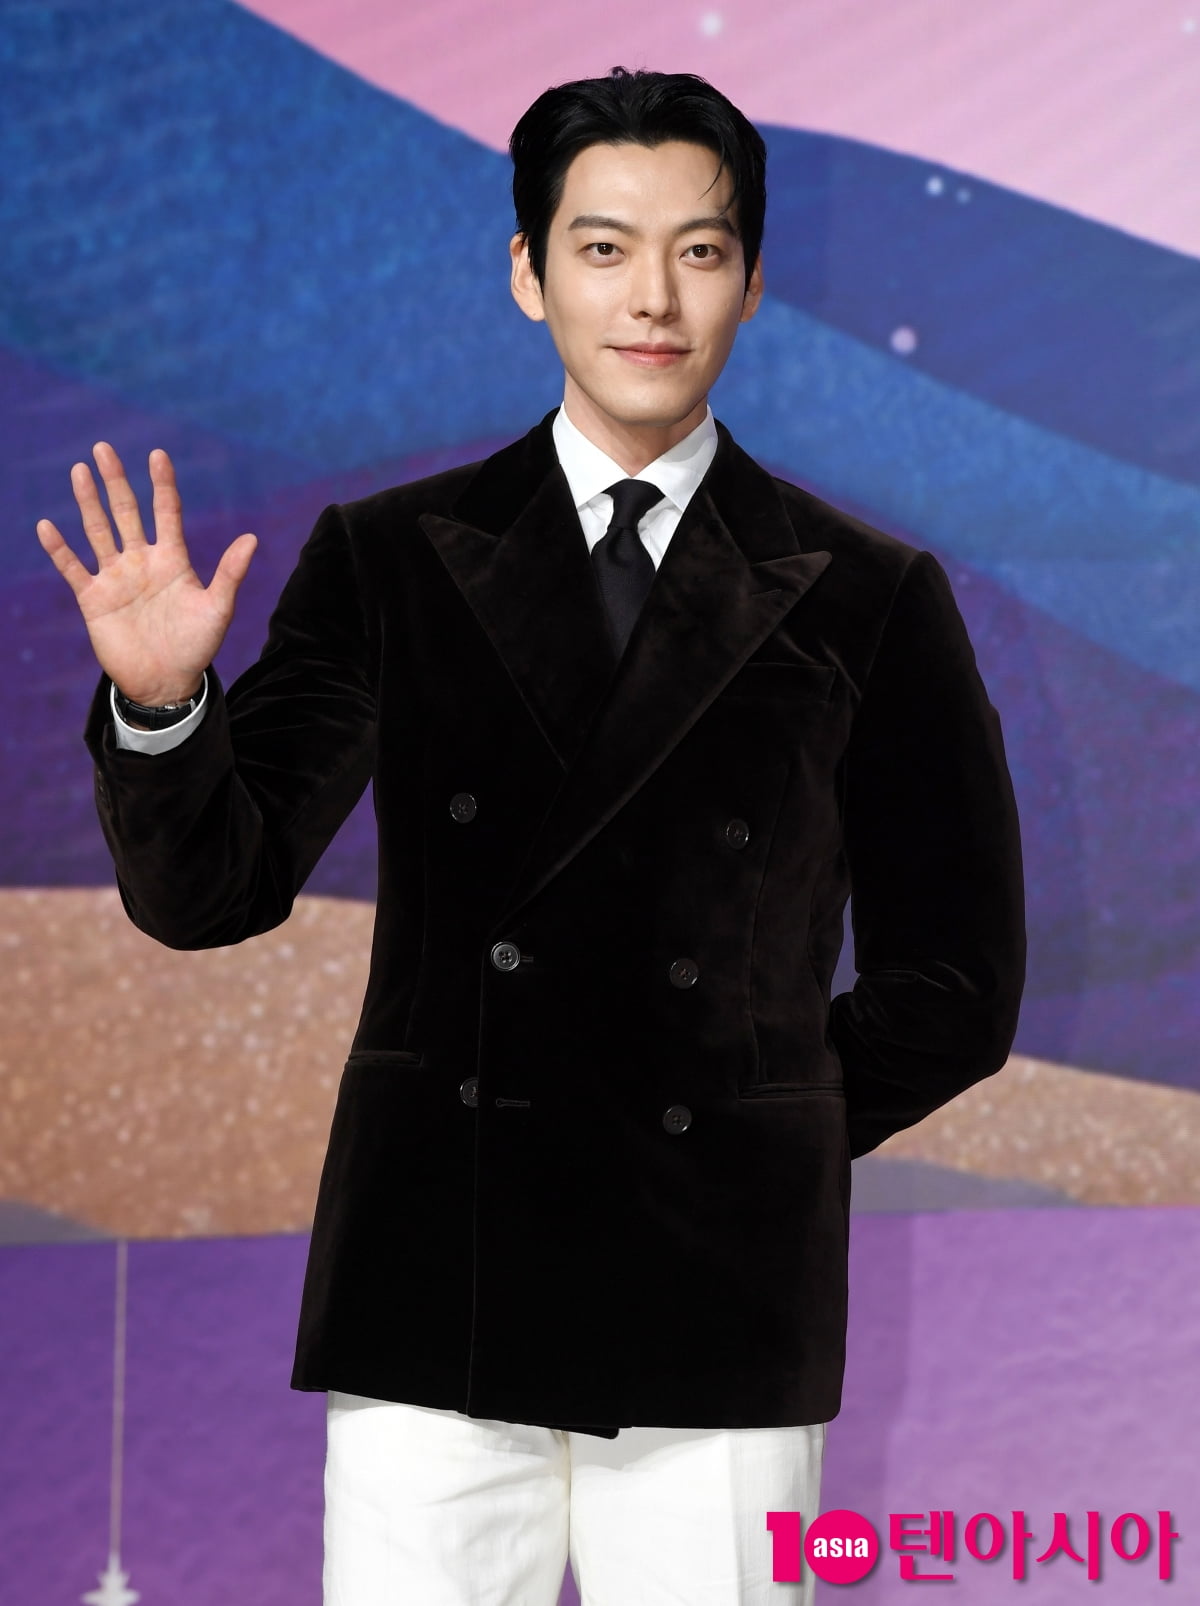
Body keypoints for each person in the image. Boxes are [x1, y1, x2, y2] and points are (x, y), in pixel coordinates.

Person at [37, 66, 1025, 1606]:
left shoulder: (866, 594)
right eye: (604, 247)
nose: (652, 298)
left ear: (753, 282)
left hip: (716, 1295)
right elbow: (211, 889)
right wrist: (166, 709)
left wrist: (746, 1128)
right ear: (529, 271)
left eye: (699, 251)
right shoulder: (390, 558)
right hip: (441, 1275)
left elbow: (957, 983)